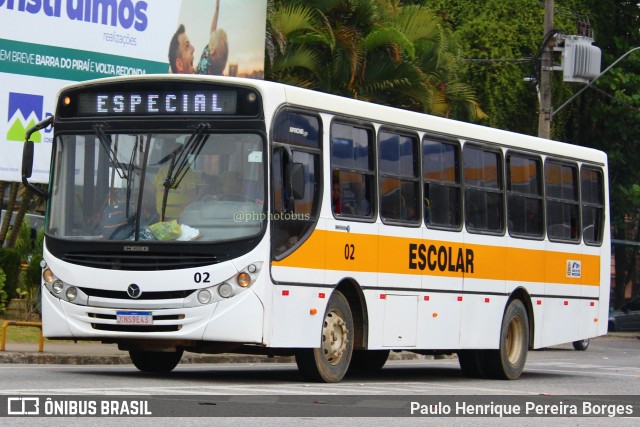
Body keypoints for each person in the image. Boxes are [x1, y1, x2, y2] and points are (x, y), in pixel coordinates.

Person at [168, 0, 229, 75]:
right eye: (187, 46)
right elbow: (213, 32)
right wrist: (217, 9)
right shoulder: (215, 74)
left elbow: (212, 31)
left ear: (212, 50)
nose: (193, 49)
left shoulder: (205, 64)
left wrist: (217, 9)